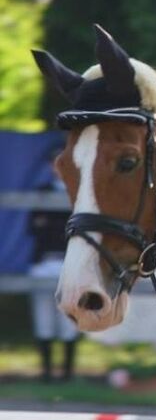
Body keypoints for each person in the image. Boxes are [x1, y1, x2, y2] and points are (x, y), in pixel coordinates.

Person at [28, 148, 79, 382]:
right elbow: (33, 227)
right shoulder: (41, 192)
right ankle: (47, 371)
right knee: (44, 318)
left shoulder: (79, 192)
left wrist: (51, 224)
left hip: (71, 262)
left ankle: (68, 372)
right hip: (44, 261)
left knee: (69, 319)